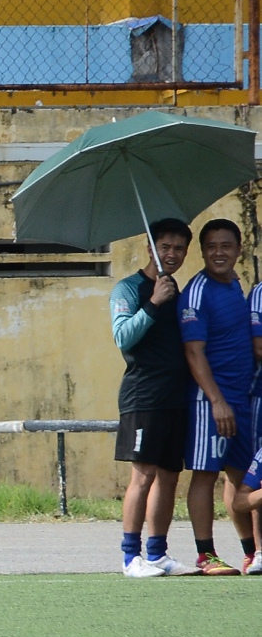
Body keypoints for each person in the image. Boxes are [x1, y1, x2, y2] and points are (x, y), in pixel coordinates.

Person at [111, 219, 194, 577]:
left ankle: (158, 553)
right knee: (143, 475)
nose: (171, 254)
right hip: (143, 396)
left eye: (179, 248)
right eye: (165, 247)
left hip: (176, 396)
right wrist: (154, 303)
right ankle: (131, 557)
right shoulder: (128, 288)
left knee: (170, 476)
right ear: (150, 248)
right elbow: (122, 337)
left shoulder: (178, 290)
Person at [177, 219, 254, 575]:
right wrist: (217, 401)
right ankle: (205, 554)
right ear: (202, 251)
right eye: (211, 247)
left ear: (239, 249)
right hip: (211, 401)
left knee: (241, 476)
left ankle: (252, 553)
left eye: (226, 246)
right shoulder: (196, 292)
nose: (218, 253)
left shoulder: (236, 284)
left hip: (243, 398)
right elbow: (194, 352)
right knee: (206, 474)